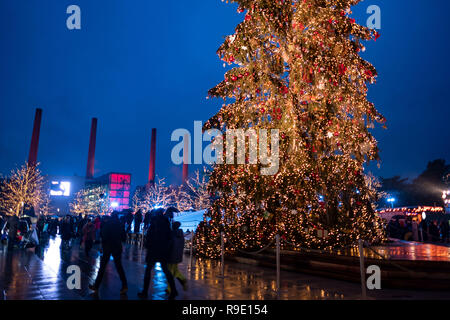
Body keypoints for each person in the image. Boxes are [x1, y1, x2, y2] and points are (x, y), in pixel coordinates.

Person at [138, 214, 177, 299]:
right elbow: (170, 238)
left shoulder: (153, 225)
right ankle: (173, 290)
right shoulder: (166, 226)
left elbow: (149, 238)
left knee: (148, 271)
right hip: (163, 251)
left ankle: (145, 291)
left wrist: (147, 246)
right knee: (166, 270)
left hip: (153, 250)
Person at [89, 212, 128, 294]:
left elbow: (103, 235)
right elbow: (124, 237)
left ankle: (96, 286)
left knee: (102, 267)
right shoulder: (120, 224)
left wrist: (102, 246)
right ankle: (124, 285)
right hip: (117, 247)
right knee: (119, 267)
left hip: (108, 247)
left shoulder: (108, 224)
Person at [167, 221, 187, 293]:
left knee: (170, 272)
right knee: (175, 270)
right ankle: (182, 279)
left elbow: (169, 245)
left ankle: (169, 288)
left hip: (170, 256)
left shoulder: (172, 234)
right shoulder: (180, 234)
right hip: (177, 256)